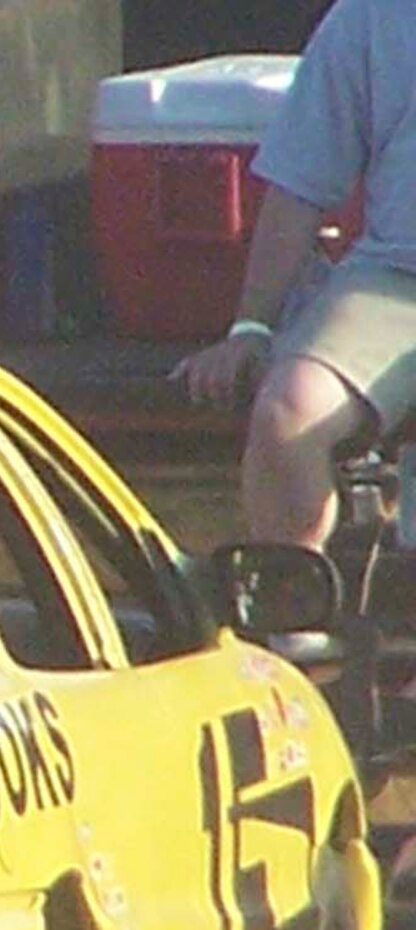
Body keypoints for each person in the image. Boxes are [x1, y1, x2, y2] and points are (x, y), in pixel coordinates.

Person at [174, 0, 416, 552]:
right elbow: (299, 184)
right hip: (395, 282)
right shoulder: (372, 17)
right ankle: (292, 622)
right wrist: (250, 329)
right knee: (289, 414)